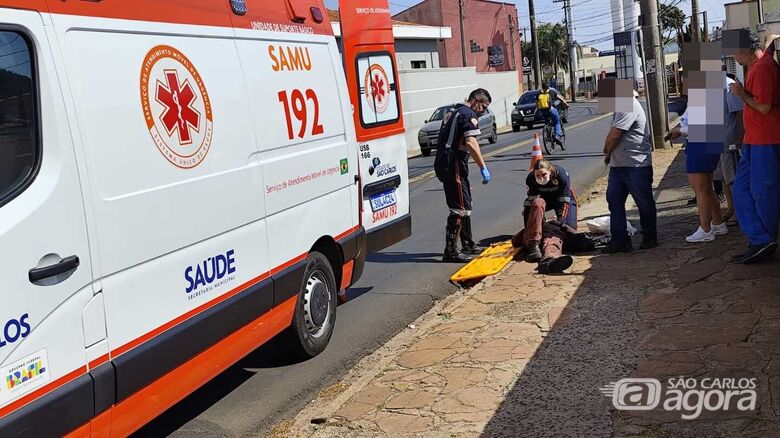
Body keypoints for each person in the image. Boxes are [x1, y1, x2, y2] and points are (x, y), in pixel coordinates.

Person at [725, 30, 780, 263]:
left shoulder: (763, 68)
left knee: (763, 192)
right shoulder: (758, 66)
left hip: (766, 140)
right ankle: (759, 238)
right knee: (742, 189)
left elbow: (764, 107)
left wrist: (741, 94)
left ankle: (764, 240)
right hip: (755, 139)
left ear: (743, 49)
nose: (732, 56)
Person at [434, 88, 493, 263]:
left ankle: (468, 243)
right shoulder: (468, 114)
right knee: (459, 208)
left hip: (447, 163)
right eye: (484, 106)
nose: (483, 111)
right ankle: (451, 251)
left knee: (465, 204)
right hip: (454, 165)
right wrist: (483, 166)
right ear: (476, 101)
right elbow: (471, 142)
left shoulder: (454, 112)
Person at [602, 86, 658, 253]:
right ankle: (619, 241)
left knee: (644, 202)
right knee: (614, 200)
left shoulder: (627, 104)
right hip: (619, 166)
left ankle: (650, 237)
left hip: (636, 165)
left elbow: (615, 135)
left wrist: (607, 152)